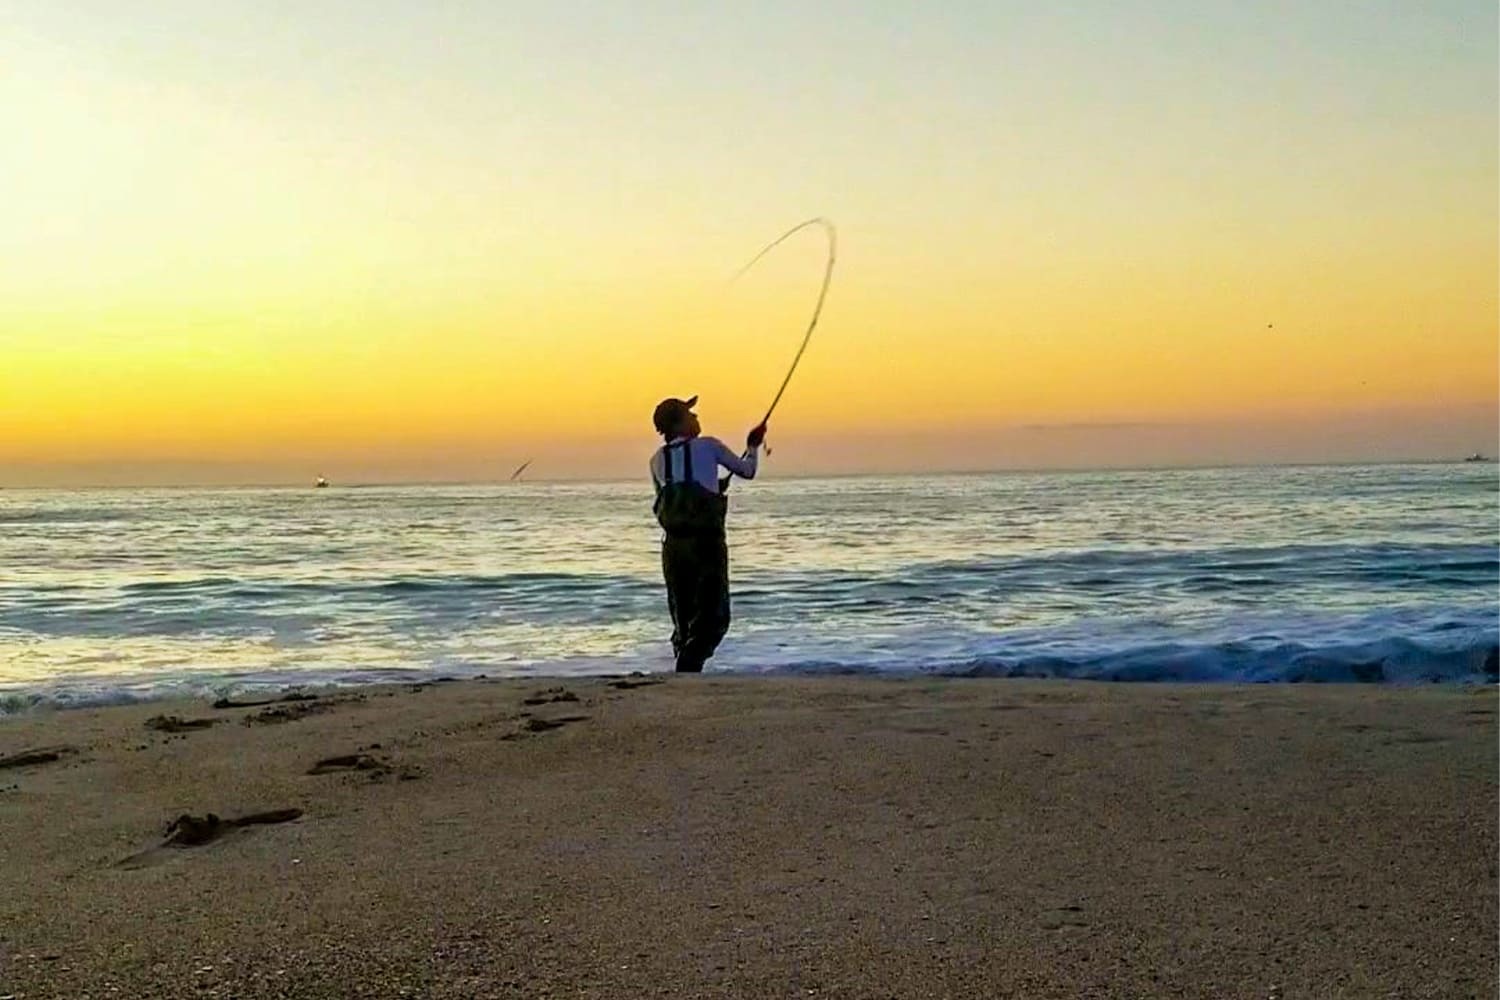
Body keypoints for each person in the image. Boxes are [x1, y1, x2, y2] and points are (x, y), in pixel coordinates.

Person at [649, 396, 767, 673]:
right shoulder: (709, 446)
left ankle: (687, 672)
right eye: (691, 414)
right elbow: (747, 471)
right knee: (713, 616)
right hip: (707, 544)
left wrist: (713, 487)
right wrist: (752, 445)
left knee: (683, 614)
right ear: (679, 422)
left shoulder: (656, 460)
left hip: (673, 548)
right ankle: (688, 668)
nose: (697, 417)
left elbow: (670, 500)